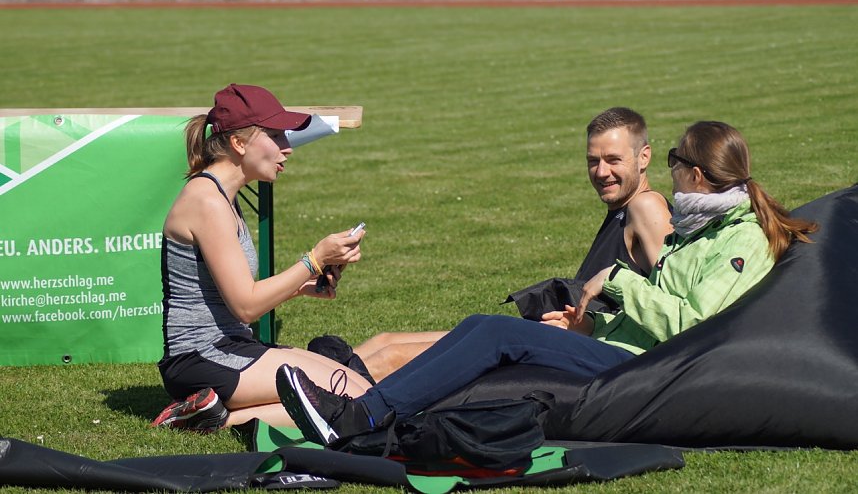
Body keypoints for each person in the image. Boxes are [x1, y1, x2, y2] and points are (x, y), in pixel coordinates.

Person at [277, 120, 818, 446]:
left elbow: (692, 323)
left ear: (695, 174)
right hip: (619, 349)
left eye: (675, 161)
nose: (672, 173)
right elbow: (669, 305)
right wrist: (592, 319)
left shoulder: (739, 241)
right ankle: (359, 404)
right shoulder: (708, 226)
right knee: (481, 328)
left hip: (646, 372)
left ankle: (361, 415)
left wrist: (618, 283)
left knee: (494, 335)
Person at [351, 107, 673, 381]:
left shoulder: (645, 207)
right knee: (387, 340)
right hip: (555, 336)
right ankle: (311, 380)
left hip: (580, 353)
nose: (601, 172)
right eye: (593, 161)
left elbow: (669, 306)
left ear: (644, 157)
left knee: (393, 358)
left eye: (613, 160)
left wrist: (589, 329)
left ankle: (323, 402)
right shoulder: (622, 209)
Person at [151, 83, 370, 432]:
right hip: (199, 358)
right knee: (351, 399)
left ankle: (210, 411)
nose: (287, 149)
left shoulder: (222, 195)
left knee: (359, 386)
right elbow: (246, 307)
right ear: (239, 143)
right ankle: (209, 420)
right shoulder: (207, 201)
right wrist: (313, 259)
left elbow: (234, 295)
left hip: (229, 346)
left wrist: (303, 286)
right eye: (276, 136)